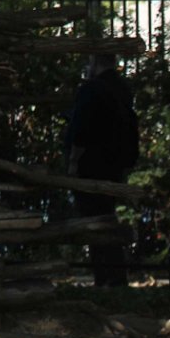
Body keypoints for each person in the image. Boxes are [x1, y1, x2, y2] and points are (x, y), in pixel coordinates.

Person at [64, 53, 140, 287]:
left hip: (91, 165)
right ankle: (115, 275)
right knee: (106, 216)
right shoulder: (121, 89)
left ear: (95, 63)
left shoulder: (92, 89)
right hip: (114, 164)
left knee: (94, 221)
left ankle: (105, 277)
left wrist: (73, 161)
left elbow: (81, 128)